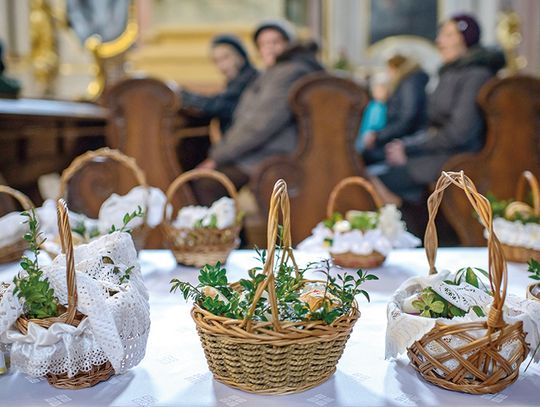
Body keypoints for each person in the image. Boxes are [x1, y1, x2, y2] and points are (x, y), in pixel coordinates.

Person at [371, 14, 505, 203]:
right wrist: (406, 145)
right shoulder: (451, 71)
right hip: (440, 151)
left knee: (384, 179)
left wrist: (409, 151)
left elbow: (460, 133)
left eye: (448, 35)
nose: (439, 41)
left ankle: (406, 229)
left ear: (466, 40)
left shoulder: (476, 75)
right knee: (378, 170)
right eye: (441, 35)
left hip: (460, 159)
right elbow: (432, 125)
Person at [194, 20, 324, 205]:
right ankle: (234, 233)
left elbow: (260, 125)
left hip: (273, 155)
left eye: (275, 42)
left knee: (208, 183)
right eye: (263, 44)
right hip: (261, 152)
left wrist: (217, 157)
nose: (269, 48)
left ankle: (229, 234)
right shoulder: (274, 73)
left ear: (288, 44)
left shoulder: (287, 73)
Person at [180, 34, 258, 134]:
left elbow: (218, 105)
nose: (222, 66)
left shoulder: (250, 79)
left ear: (241, 55)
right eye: (217, 61)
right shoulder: (236, 81)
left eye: (225, 58)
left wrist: (184, 95)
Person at [362, 54, 428, 164]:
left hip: (404, 140)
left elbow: (407, 118)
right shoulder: (409, 82)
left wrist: (378, 136)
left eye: (389, 69)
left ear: (396, 68)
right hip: (399, 136)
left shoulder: (409, 83)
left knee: (367, 157)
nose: (388, 73)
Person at [354, 71, 389, 153]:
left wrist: (372, 135)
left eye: (381, 89)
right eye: (377, 89)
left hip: (371, 137)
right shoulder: (372, 105)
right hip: (363, 135)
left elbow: (378, 125)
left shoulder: (381, 106)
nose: (377, 91)